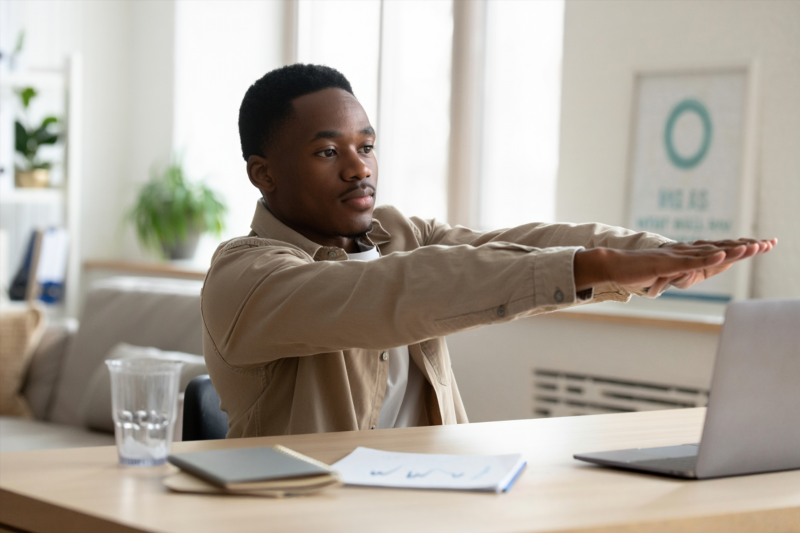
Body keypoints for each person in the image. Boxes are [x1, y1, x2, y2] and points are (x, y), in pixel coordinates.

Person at [201, 64, 775, 438]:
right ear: (264, 174)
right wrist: (592, 268)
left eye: (367, 146)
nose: (359, 167)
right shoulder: (245, 276)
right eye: (328, 152)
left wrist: (656, 251)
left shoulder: (400, 231)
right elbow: (389, 294)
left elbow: (512, 245)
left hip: (428, 505)